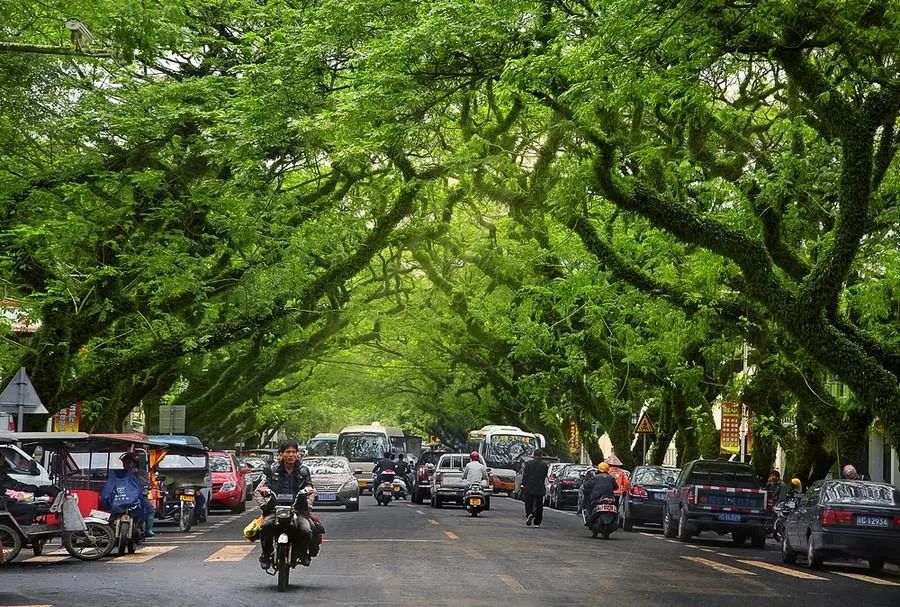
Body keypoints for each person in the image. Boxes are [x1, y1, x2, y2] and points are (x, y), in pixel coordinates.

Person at [255, 441, 315, 570]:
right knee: (265, 526)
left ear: (298, 454)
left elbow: (310, 486)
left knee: (306, 530)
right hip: (275, 509)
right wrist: (265, 491)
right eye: (288, 452)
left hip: (298, 509)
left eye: (294, 452)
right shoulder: (272, 469)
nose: (291, 455)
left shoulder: (304, 471)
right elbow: (263, 486)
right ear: (281, 454)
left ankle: (302, 553)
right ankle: (266, 554)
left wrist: (308, 492)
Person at [0, 454, 59, 525]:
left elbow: (15, 485)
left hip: (4, 501)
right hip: (2, 504)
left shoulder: (2, 474)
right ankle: (12, 526)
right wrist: (39, 490)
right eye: (2, 459)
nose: (4, 461)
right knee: (32, 509)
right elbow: (16, 486)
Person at [521, 449, 549, 528]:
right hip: (539, 486)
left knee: (528, 502)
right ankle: (537, 522)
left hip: (529, 486)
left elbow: (525, 475)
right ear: (541, 455)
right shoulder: (544, 465)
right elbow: (544, 475)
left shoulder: (529, 464)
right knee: (539, 505)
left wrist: (523, 484)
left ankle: (530, 513)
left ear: (534, 455)